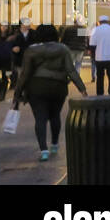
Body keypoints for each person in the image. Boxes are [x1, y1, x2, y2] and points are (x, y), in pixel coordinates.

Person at [15, 25, 87, 161]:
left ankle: (44, 150)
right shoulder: (63, 49)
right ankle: (54, 144)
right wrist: (82, 88)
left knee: (40, 118)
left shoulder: (31, 50)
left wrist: (17, 92)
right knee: (55, 115)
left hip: (37, 87)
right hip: (58, 87)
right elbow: (71, 70)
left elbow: (25, 74)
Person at [88, 16, 110, 95]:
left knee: (100, 76)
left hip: (99, 57)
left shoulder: (95, 30)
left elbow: (92, 44)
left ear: (99, 22)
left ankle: (100, 93)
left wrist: (93, 54)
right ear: (108, 21)